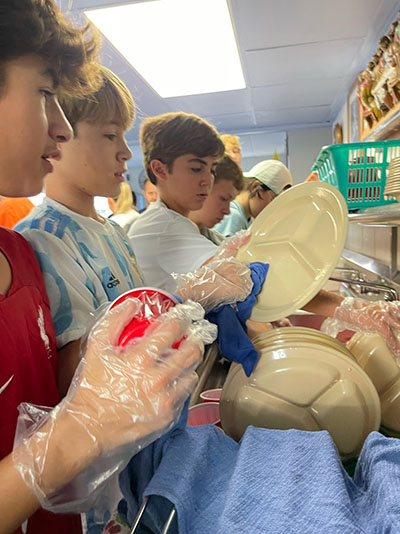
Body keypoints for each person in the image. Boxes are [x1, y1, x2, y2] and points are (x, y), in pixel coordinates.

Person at [0, 2, 209, 532]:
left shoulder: (19, 258)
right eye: (46, 92)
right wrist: (78, 429)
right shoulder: (43, 242)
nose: (60, 128)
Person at [213, 159, 293, 236]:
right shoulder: (232, 216)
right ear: (255, 187)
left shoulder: (247, 219)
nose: (272, 210)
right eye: (272, 200)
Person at [189, 153, 244, 246]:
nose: (227, 211)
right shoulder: (164, 237)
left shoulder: (220, 244)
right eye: (223, 199)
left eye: (230, 202)